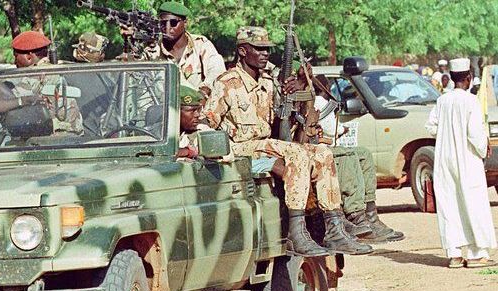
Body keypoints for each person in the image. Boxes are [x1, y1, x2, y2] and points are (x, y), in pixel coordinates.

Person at [204, 26, 372, 257]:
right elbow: (206, 123)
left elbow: (283, 124)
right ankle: (296, 231)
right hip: (241, 148)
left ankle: (334, 227)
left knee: (322, 153)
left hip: (266, 147)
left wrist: (299, 88)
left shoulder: (267, 82)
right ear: (243, 51)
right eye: (258, 49)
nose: (265, 54)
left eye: (267, 49)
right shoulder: (227, 83)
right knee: (297, 154)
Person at [313, 75, 405, 242]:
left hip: (325, 145)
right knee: (347, 155)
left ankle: (370, 215)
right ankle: (356, 216)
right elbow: (329, 129)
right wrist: (340, 131)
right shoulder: (316, 102)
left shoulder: (316, 101)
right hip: (319, 149)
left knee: (364, 154)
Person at [425, 58, 497, 268]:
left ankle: (454, 254)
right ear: (468, 78)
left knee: (450, 204)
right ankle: (477, 253)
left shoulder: (442, 100)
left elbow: (431, 126)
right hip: (467, 160)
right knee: (472, 203)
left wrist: (448, 134)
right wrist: (484, 147)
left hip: (445, 159)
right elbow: (475, 134)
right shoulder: (470, 101)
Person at [10, 31, 83, 135]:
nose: (14, 61)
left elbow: (9, 101)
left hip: (52, 138)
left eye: (16, 56)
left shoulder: (33, 76)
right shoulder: (61, 68)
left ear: (29, 56)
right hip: (75, 135)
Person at [148, 1, 226, 96]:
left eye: (173, 23)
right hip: (162, 107)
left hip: (196, 106)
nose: (168, 28)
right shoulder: (153, 50)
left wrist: (204, 91)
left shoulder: (200, 44)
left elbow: (217, 70)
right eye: (163, 23)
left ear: (185, 23)